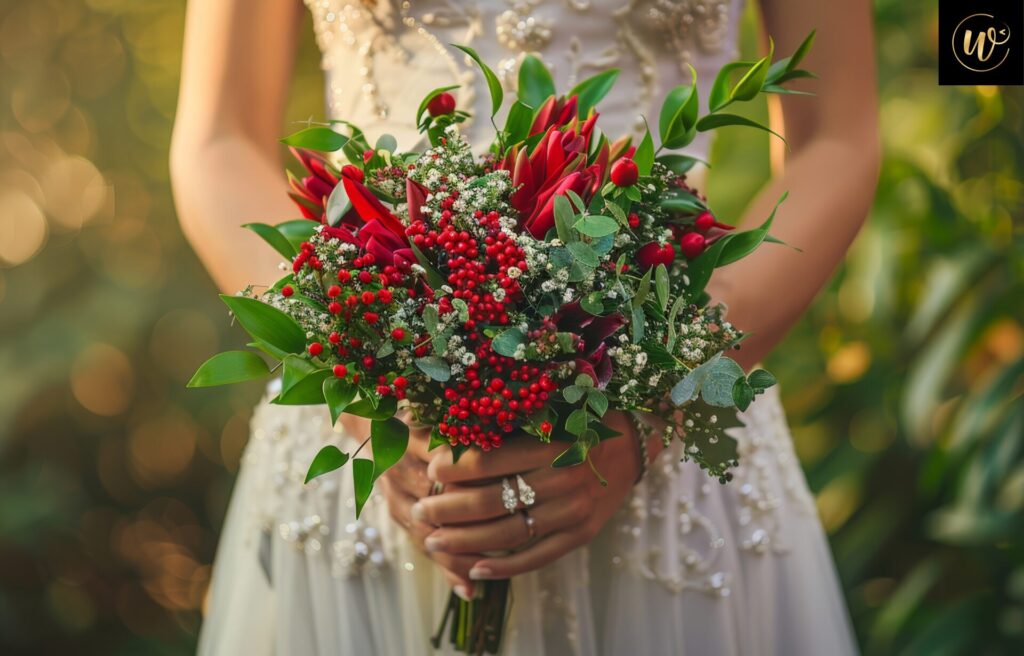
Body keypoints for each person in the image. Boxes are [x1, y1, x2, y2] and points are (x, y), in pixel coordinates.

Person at [171, 0, 879, 653]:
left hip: (665, 432)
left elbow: (838, 138)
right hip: (370, 446)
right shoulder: (366, 403)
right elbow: (217, 140)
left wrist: (660, 400)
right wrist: (364, 390)